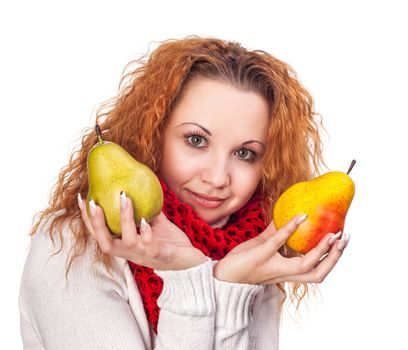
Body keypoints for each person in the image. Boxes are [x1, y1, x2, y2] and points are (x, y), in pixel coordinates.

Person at [19, 36, 349, 349]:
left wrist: (232, 283)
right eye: (195, 140)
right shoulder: (72, 245)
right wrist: (188, 276)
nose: (218, 177)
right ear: (152, 133)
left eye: (245, 153)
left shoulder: (255, 250)